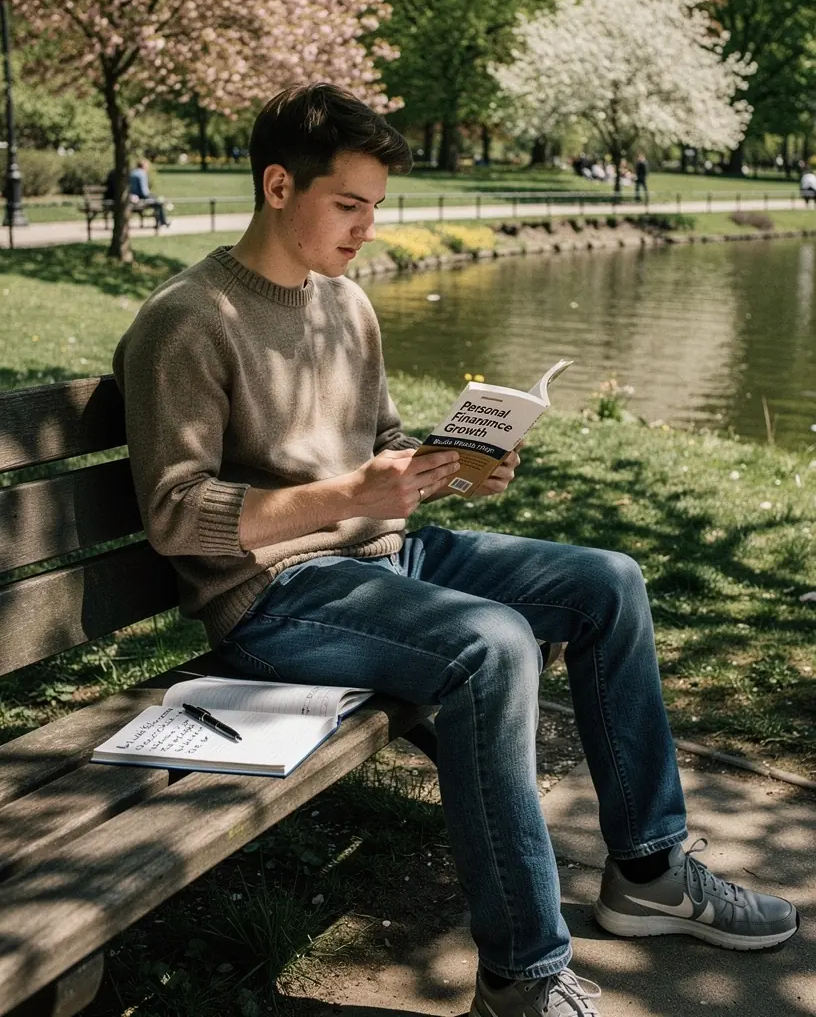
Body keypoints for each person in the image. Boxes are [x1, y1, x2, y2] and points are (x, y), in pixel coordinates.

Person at [113, 85, 798, 1017]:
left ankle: (648, 871)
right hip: (275, 598)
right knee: (493, 645)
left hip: (387, 560)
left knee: (609, 581)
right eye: (347, 204)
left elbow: (379, 437)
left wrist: (455, 465)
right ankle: (522, 976)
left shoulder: (347, 305)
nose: (365, 229)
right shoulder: (188, 321)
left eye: (375, 209)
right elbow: (174, 513)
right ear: (278, 185)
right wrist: (351, 496)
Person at [129, 158, 171, 227]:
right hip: (141, 199)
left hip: (132, 197)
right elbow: (144, 192)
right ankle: (162, 221)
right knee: (159, 202)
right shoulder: (142, 173)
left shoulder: (133, 172)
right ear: (144, 166)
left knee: (158, 199)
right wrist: (153, 196)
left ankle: (163, 221)